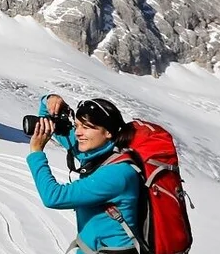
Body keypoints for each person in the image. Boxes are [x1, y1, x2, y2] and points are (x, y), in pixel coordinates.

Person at [28, 95, 143, 254]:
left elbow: (53, 197)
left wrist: (36, 153)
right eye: (77, 125)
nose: (78, 133)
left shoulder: (118, 173)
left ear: (108, 132)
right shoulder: (95, 154)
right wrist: (49, 100)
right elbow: (47, 125)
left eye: (87, 127)